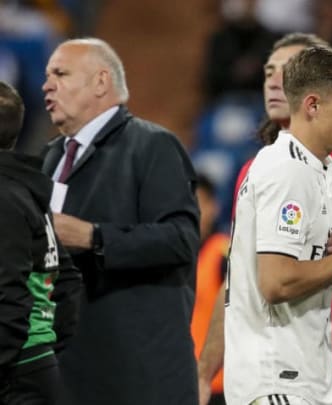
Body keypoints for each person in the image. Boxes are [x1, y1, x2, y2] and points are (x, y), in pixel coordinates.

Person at [198, 33, 332, 405]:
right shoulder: (285, 172)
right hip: (279, 379)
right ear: (312, 104)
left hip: (308, 377)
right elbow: (275, 282)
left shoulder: (322, 169)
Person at [40, 38, 200, 405]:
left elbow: (180, 239)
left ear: (101, 82)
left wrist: (93, 236)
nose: (47, 85)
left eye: (61, 74)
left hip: (138, 377)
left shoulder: (152, 145)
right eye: (48, 76)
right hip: (70, 373)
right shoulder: (50, 159)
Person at [0, 81, 81, 405]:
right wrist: (42, 348)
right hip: (31, 368)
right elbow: (68, 281)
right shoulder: (25, 193)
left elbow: (8, 295)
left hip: (14, 376)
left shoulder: (4, 198)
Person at [192, 175, 230, 405]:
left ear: (214, 207)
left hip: (221, 384)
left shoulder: (222, 253)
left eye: (200, 203)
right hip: (188, 381)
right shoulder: (176, 259)